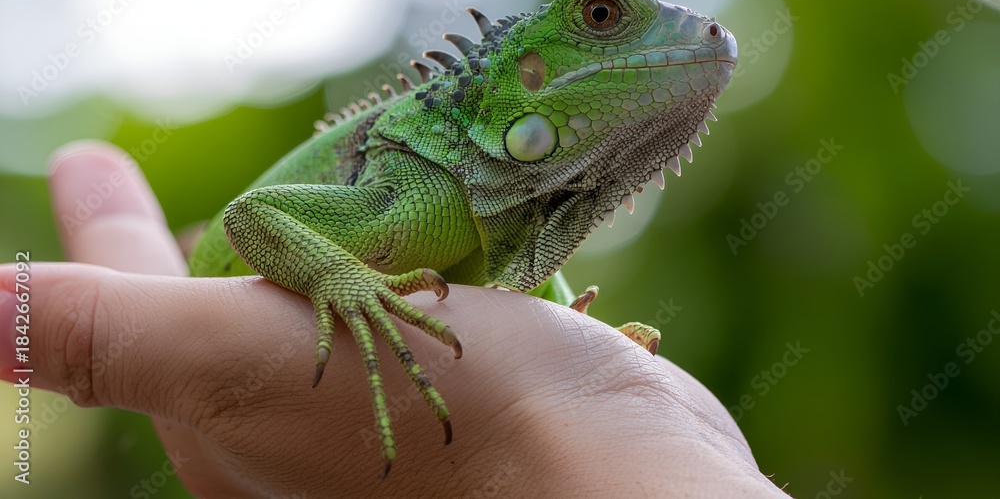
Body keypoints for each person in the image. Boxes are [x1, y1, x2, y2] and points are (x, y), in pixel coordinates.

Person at [0, 141, 789, 497]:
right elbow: (251, 219)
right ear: (531, 70)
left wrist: (599, 401)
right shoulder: (424, 195)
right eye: (603, 19)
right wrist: (343, 280)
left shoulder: (500, 230)